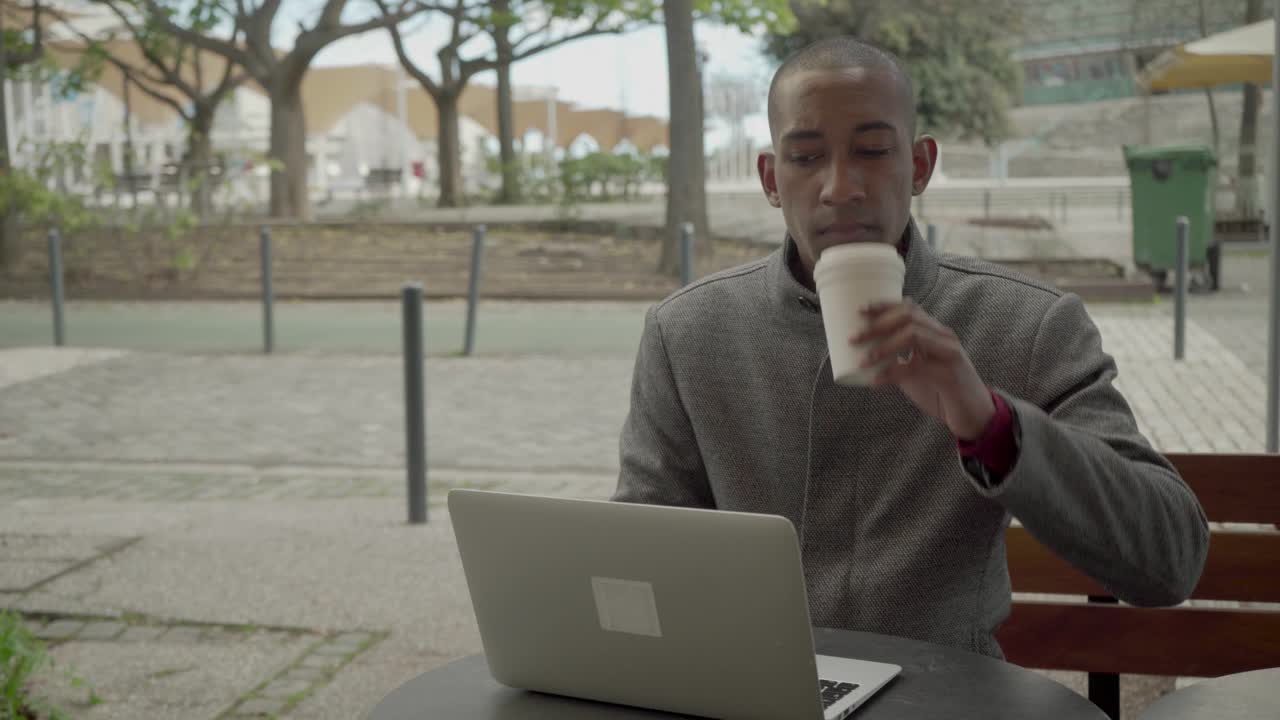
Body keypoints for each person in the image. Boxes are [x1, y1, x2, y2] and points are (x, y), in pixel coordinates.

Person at [611, 37, 1209, 659]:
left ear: (920, 165)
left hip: (948, 698)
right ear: (770, 177)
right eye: (806, 157)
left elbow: (1171, 561)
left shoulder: (1024, 325)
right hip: (755, 691)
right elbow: (637, 560)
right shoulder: (689, 333)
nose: (839, 187)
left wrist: (988, 422)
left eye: (871, 151)